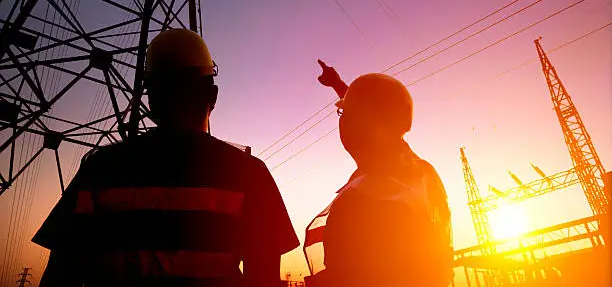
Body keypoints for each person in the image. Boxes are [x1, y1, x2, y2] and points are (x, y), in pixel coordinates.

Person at [33, 28, 299, 287]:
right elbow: (263, 278)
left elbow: (60, 275)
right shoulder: (248, 174)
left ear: (151, 100)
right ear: (213, 96)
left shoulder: (100, 169)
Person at [304, 60, 453, 287]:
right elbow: (376, 114)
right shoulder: (419, 171)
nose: (342, 121)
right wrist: (338, 84)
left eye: (344, 114)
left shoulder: (363, 198)